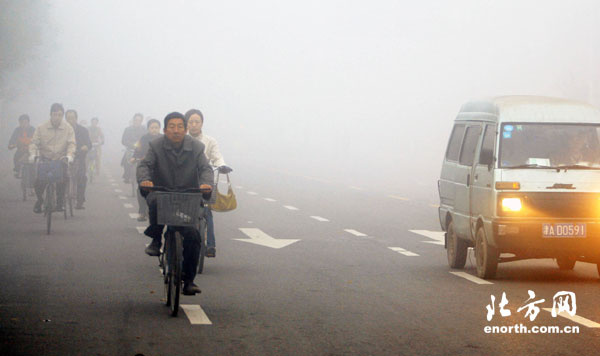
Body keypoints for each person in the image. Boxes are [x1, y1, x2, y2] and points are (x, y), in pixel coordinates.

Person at [137, 112, 213, 295]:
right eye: (172, 126)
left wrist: (206, 184)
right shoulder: (155, 146)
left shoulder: (196, 147)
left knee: (194, 236)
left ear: (186, 129)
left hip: (188, 196)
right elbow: (144, 166)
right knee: (154, 200)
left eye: (180, 126)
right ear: (164, 130)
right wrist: (146, 180)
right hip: (162, 192)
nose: (176, 130)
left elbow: (205, 169)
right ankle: (156, 239)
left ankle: (189, 280)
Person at [186, 109, 232, 258]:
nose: (194, 125)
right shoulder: (180, 139)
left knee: (206, 211)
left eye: (197, 122)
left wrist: (222, 165)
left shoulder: (210, 141)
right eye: (191, 122)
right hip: (184, 181)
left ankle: (210, 245)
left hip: (204, 180)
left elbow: (217, 157)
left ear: (202, 123)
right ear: (186, 123)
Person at [29, 103, 76, 213]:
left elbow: (71, 144)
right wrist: (32, 154)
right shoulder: (41, 128)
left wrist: (70, 156)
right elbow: (34, 143)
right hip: (45, 159)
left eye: (60, 115)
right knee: (39, 182)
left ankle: (60, 203)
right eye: (55, 114)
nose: (57, 117)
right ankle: (40, 200)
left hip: (61, 159)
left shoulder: (68, 128)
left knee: (63, 179)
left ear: (62, 116)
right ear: (50, 115)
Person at [132, 118, 162, 221]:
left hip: (160, 170)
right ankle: (142, 212)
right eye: (152, 127)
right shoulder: (143, 138)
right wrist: (134, 157)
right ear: (148, 128)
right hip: (145, 168)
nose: (154, 129)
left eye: (156, 128)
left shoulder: (164, 139)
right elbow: (137, 149)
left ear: (160, 128)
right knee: (141, 188)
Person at [65, 110, 92, 209]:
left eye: (72, 117)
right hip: (65, 158)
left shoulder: (83, 130)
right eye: (68, 118)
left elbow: (89, 144)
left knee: (82, 177)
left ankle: (80, 201)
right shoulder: (62, 130)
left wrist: (86, 147)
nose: (70, 120)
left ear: (76, 118)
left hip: (79, 158)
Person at [121, 113, 145, 183]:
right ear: (133, 120)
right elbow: (123, 140)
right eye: (136, 120)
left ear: (141, 121)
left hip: (141, 150)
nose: (137, 122)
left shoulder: (144, 129)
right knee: (126, 163)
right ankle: (127, 176)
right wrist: (132, 145)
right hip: (130, 149)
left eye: (139, 120)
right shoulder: (128, 129)